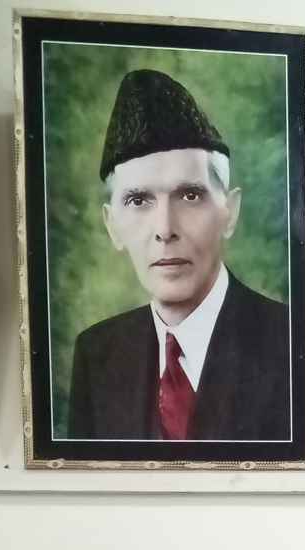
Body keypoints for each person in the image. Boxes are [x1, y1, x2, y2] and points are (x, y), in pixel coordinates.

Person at [67, 69, 291, 442]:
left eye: (190, 195)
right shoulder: (96, 355)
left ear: (230, 212)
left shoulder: (290, 343)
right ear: (112, 225)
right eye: (139, 200)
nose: (165, 229)